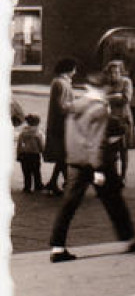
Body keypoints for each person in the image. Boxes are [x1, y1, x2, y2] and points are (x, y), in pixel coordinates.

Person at [48, 72, 135, 263]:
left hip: (75, 160)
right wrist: (98, 169)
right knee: (114, 200)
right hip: (95, 163)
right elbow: (97, 141)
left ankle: (57, 247)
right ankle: (130, 238)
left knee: (68, 205)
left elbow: (72, 135)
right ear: (104, 88)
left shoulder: (75, 106)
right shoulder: (99, 109)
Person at [42, 58, 76, 195]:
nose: (75, 71)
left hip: (61, 123)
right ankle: (65, 182)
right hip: (61, 124)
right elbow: (61, 106)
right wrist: (75, 107)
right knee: (63, 155)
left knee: (63, 155)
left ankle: (54, 182)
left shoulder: (61, 82)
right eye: (74, 68)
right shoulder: (61, 83)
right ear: (69, 69)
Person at [103, 59, 135, 183]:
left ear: (121, 72)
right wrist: (115, 96)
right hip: (108, 120)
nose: (113, 75)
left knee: (123, 149)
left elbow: (126, 98)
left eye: (116, 72)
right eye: (111, 73)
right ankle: (112, 175)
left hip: (123, 118)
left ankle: (123, 175)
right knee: (110, 151)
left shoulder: (126, 82)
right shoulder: (106, 84)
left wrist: (109, 97)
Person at [17, 113, 44, 193]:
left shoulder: (23, 133)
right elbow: (41, 144)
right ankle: (38, 185)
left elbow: (20, 144)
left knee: (26, 172)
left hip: (24, 154)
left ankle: (27, 186)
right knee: (36, 171)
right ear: (37, 123)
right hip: (34, 154)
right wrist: (42, 151)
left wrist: (18, 154)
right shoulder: (38, 133)